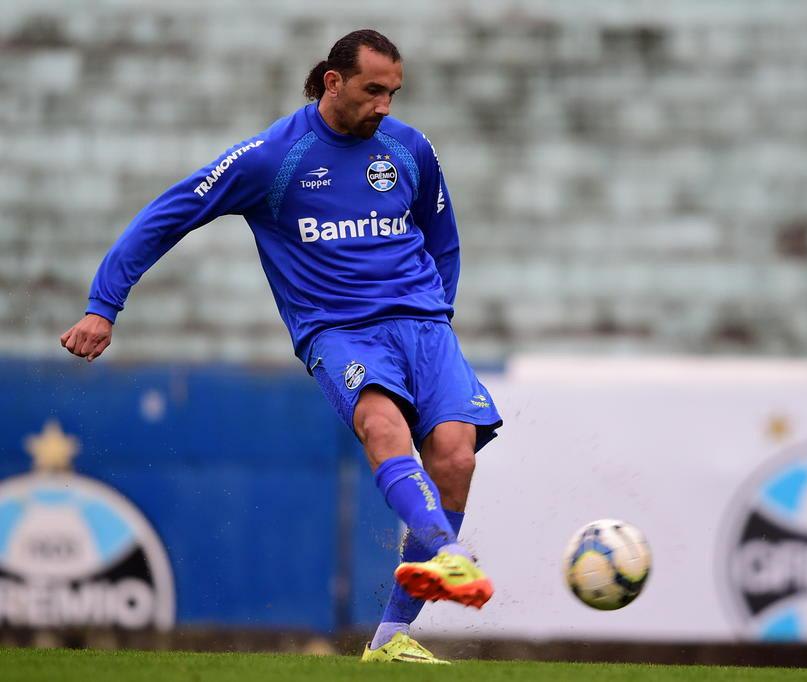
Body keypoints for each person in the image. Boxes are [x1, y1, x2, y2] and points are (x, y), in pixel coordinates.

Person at [59, 29, 502, 665]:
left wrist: (441, 315)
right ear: (333, 82)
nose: (385, 106)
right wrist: (104, 305)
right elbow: (170, 211)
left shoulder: (409, 149)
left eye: (394, 93)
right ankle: (447, 552)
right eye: (373, 91)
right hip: (340, 330)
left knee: (456, 459)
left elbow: (443, 236)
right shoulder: (274, 157)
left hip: (426, 328)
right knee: (383, 426)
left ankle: (387, 641)